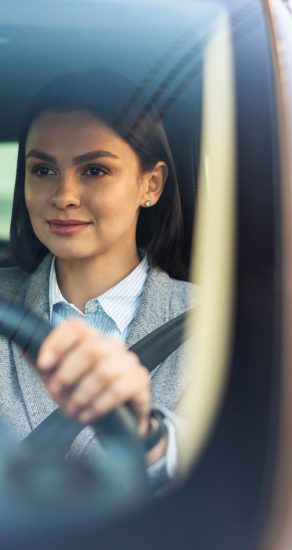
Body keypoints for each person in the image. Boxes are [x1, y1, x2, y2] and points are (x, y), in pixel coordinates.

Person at [0, 71, 196, 488]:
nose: (64, 195)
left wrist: (151, 436)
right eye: (42, 171)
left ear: (151, 183)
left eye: (94, 171)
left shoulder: (217, 323)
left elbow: (241, 472)